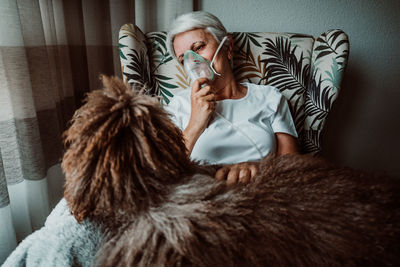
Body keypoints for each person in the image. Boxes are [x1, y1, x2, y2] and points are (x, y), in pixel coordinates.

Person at [165, 11, 298, 185]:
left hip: (265, 192)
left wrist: (254, 168)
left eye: (198, 47)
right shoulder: (177, 105)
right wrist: (195, 123)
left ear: (227, 47)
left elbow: (293, 164)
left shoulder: (269, 97)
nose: (193, 61)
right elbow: (165, 172)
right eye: (184, 59)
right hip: (203, 198)